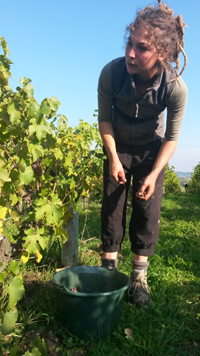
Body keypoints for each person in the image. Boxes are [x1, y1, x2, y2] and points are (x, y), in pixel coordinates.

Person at [98, 0, 188, 307]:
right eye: (129, 44)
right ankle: (108, 274)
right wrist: (113, 158)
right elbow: (105, 120)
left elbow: (172, 138)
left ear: (161, 54)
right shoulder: (112, 73)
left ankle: (138, 280)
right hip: (117, 145)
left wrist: (153, 174)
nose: (131, 54)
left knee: (146, 212)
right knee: (112, 208)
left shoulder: (175, 88)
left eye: (142, 48)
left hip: (151, 149)